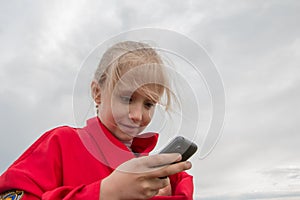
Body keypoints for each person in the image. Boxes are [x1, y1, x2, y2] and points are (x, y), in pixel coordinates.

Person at [0, 41, 194, 199]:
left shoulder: (159, 174)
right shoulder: (61, 143)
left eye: (148, 104)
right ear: (97, 93)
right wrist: (105, 193)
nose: (137, 115)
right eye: (127, 98)